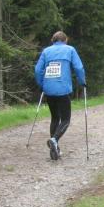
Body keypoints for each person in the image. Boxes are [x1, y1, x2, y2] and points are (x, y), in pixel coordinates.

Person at [34, 30, 86, 161]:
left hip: (49, 90)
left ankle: (55, 150)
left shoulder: (46, 51)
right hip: (63, 89)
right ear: (65, 40)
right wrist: (82, 82)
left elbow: (38, 70)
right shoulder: (70, 49)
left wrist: (41, 85)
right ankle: (54, 140)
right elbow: (78, 68)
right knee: (66, 119)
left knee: (55, 118)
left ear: (53, 40)